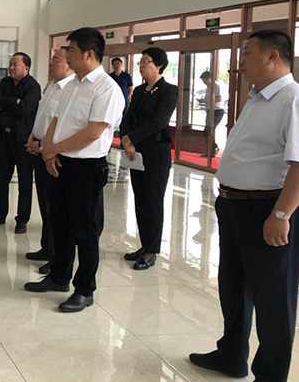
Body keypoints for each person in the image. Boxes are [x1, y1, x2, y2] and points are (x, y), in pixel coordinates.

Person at [189, 30, 299, 382]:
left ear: (272, 56)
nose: (240, 62)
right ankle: (232, 355)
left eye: (247, 53)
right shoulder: (256, 97)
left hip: (267, 209)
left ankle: (270, 375)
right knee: (233, 286)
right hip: (234, 206)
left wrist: (281, 214)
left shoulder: (293, 98)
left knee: (273, 299)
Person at [25, 27, 123, 313]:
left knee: (85, 231)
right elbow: (56, 120)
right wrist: (49, 151)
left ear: (89, 54)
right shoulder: (72, 85)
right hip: (60, 162)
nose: (66, 55)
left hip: (86, 168)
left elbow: (92, 133)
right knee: (60, 224)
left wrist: (53, 149)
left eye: (71, 50)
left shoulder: (106, 89)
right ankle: (59, 276)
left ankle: (84, 289)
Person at [120, 47, 178, 270]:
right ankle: (144, 245)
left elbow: (159, 122)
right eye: (140, 61)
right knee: (140, 199)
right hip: (136, 151)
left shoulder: (168, 91)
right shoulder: (139, 91)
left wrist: (130, 138)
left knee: (153, 201)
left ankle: (152, 250)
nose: (141, 65)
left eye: (146, 61)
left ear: (159, 65)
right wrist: (126, 140)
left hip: (156, 152)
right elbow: (128, 117)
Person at [25, 47, 75, 274]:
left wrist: (43, 145)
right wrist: (32, 136)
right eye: (52, 59)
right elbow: (42, 115)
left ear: (70, 64)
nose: (51, 63)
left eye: (57, 60)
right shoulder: (52, 85)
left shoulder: (69, 90)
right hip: (39, 147)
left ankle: (56, 255)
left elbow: (62, 126)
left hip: (52, 153)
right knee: (45, 204)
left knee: (55, 208)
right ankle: (47, 248)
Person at [0, 53, 40, 234]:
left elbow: (24, 108)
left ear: (26, 68)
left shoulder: (33, 86)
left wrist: (9, 103)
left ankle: (22, 219)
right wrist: (14, 100)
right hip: (4, 137)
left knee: (24, 181)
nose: (11, 67)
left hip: (23, 140)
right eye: (10, 64)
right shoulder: (6, 82)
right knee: (1, 178)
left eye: (16, 64)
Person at [199, 70, 224, 157]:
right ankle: (211, 149)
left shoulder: (216, 86)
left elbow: (219, 99)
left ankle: (213, 150)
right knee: (206, 131)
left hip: (217, 111)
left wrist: (206, 101)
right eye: (203, 81)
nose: (204, 83)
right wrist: (203, 101)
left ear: (210, 78)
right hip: (209, 111)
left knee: (210, 129)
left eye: (205, 81)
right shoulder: (208, 87)